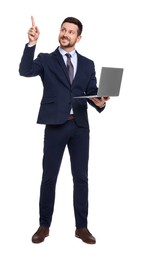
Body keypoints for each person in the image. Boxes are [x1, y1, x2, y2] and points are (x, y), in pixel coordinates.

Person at [19, 16, 109, 244]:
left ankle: (81, 227)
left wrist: (100, 101)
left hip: (79, 127)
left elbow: (90, 92)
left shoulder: (88, 64)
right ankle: (44, 225)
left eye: (71, 32)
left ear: (78, 38)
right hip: (55, 125)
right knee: (49, 177)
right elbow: (25, 70)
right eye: (63, 30)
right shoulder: (46, 59)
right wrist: (31, 44)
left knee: (81, 178)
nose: (65, 34)